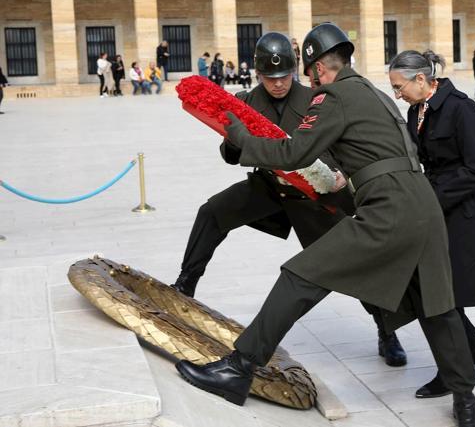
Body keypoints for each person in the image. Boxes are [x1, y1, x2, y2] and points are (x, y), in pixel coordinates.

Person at [175, 24, 475, 427]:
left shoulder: (332, 96)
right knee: (437, 304)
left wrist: (243, 139)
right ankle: (465, 399)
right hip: (424, 204)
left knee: (300, 275)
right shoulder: (373, 93)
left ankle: (239, 367)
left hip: (385, 208)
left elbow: (295, 151)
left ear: (317, 68)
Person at [172, 31, 407, 368]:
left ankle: (387, 332)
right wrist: (231, 132)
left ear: (295, 71)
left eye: (284, 76)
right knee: (212, 212)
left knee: (352, 264)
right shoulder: (247, 101)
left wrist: (338, 176)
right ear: (258, 74)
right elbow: (229, 154)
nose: (278, 84)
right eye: (270, 77)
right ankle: (186, 283)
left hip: (312, 198)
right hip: (269, 187)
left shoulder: (319, 97)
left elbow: (338, 145)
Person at [390, 49, 475, 401]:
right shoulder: (416, 110)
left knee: (445, 293)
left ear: (421, 79)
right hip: (436, 208)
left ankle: (454, 370)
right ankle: (472, 350)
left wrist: (433, 194)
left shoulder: (461, 108)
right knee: (437, 289)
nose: (397, 93)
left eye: (399, 86)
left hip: (463, 211)